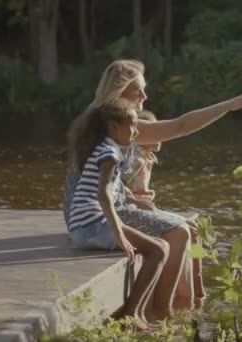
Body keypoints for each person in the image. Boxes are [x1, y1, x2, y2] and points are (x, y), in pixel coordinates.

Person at [65, 59, 242, 320]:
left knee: (193, 228)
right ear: (118, 93)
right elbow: (181, 126)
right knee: (179, 233)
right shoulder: (113, 121)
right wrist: (229, 105)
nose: (145, 97)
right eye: (139, 91)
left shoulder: (101, 118)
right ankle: (163, 312)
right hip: (97, 212)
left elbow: (100, 172)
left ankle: (193, 300)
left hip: (100, 204)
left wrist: (130, 195)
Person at [67, 104, 169, 330]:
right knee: (159, 250)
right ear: (113, 126)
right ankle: (130, 315)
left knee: (159, 246)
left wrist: (131, 201)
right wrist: (119, 232)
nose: (136, 131)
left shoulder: (102, 147)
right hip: (92, 225)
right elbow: (102, 194)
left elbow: (111, 190)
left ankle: (137, 313)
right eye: (132, 125)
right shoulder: (109, 152)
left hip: (82, 225)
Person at [121, 109, 206, 303]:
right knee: (189, 232)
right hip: (136, 210)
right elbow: (117, 183)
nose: (161, 136)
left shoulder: (146, 154)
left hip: (146, 207)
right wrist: (133, 200)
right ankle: (188, 296)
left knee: (196, 231)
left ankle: (198, 287)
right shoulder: (135, 156)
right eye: (155, 131)